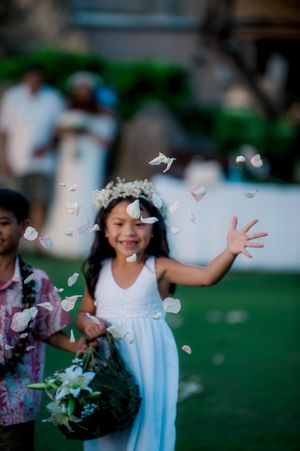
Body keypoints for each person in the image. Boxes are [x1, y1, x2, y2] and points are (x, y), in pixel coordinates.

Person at [77, 178, 268, 451]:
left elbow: (205, 276)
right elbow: (84, 313)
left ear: (154, 230)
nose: (129, 232)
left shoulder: (159, 268)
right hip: (108, 358)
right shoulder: (98, 270)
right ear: (105, 230)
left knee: (146, 419)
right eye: (119, 224)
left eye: (139, 223)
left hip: (149, 357)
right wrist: (90, 323)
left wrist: (230, 251)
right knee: (108, 420)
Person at [0, 188, 86, 451]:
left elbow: (48, 331)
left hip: (16, 403)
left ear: (24, 227)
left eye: (3, 224)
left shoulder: (37, 281)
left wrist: (77, 346)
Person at [44, 71, 117, 259]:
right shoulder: (66, 113)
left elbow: (107, 142)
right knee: (66, 198)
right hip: (69, 165)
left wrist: (87, 130)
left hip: (90, 167)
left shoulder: (103, 116)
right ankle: (60, 243)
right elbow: (56, 135)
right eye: (79, 90)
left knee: (87, 200)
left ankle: (85, 244)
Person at [0, 65, 64, 234]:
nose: (34, 83)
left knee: (40, 200)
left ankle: (37, 238)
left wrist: (48, 146)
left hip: (44, 160)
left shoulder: (53, 98)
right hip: (17, 158)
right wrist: (4, 158)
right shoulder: (13, 96)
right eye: (31, 79)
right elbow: (5, 130)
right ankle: (17, 237)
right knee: (16, 201)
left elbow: (59, 129)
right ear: (25, 79)